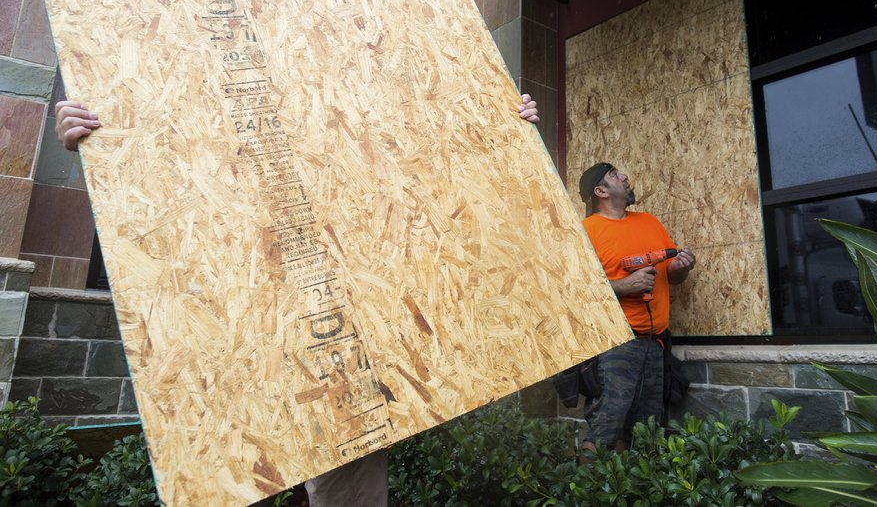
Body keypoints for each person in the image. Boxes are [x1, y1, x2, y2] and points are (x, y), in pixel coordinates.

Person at [54, 93, 539, 506]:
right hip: (251, 336)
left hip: (361, 336)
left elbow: (423, 169)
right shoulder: (219, 139)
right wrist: (98, 145)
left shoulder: (345, 116)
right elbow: (170, 184)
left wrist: (499, 127)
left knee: (348, 479)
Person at [576, 162, 696, 460]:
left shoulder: (649, 222)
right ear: (600, 191)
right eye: (615, 175)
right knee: (605, 429)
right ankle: (584, 492)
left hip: (654, 343)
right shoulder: (585, 231)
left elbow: (673, 275)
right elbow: (574, 291)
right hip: (614, 345)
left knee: (644, 432)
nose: (625, 176)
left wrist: (680, 268)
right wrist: (622, 286)